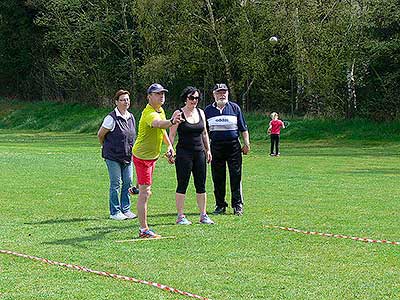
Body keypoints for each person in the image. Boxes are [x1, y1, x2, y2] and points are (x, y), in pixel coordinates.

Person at [133, 83, 184, 238]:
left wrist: (169, 146)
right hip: (143, 158)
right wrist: (172, 122)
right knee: (146, 193)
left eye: (163, 93)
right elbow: (158, 124)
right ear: (149, 97)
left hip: (152, 157)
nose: (161, 96)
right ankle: (144, 230)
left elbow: (162, 131)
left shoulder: (160, 110)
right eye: (157, 94)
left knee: (144, 188)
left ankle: (136, 186)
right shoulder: (149, 113)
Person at [169, 86, 214, 225]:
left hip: (199, 153)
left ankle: (203, 215)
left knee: (201, 184)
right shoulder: (179, 113)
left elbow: (205, 133)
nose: (194, 100)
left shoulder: (201, 112)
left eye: (196, 98)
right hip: (184, 153)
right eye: (191, 97)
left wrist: (208, 150)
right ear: (185, 98)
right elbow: (172, 134)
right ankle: (180, 216)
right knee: (182, 184)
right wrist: (170, 150)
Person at [204, 83, 250, 216]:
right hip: (216, 146)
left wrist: (246, 144)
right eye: (219, 92)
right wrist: (206, 149)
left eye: (224, 92)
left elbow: (243, 128)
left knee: (236, 176)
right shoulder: (208, 110)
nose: (222, 95)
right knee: (218, 177)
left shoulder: (235, 108)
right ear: (214, 94)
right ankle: (220, 205)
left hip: (233, 146)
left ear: (228, 93)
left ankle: (237, 205)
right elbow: (204, 132)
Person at [97, 89, 137, 220]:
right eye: (122, 100)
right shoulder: (111, 118)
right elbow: (100, 135)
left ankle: (126, 209)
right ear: (116, 102)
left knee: (128, 182)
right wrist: (107, 147)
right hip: (113, 156)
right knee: (116, 183)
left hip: (128, 156)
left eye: (127, 99)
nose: (125, 102)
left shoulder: (131, 117)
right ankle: (115, 212)